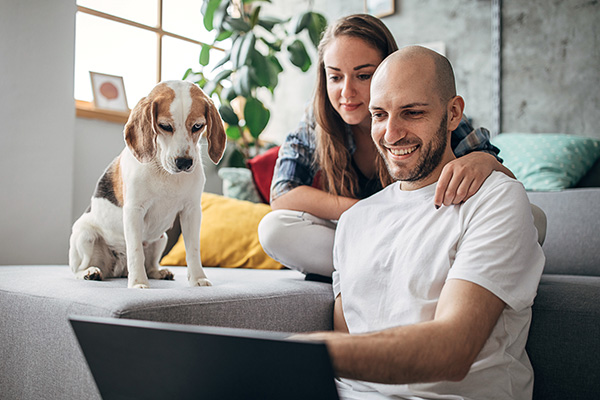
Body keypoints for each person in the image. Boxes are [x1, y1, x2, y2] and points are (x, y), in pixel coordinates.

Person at [300, 45, 545, 400]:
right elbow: (352, 357)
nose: (391, 133)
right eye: (379, 115)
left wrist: (304, 351)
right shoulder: (354, 221)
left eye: (412, 113)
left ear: (453, 113)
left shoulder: (495, 200)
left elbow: (452, 350)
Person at [258, 14, 515, 279]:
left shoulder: (429, 110)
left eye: (364, 75)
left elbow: (506, 188)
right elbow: (283, 194)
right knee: (274, 229)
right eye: (335, 77)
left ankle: (389, 271)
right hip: (364, 235)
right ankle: (395, 271)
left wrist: (485, 160)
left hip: (425, 231)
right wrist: (373, 212)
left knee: (532, 219)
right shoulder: (318, 120)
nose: (347, 91)